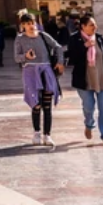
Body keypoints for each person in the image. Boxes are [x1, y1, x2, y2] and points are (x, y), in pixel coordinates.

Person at [66, 13, 103, 146]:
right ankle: (89, 124)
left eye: (95, 24)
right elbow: (72, 59)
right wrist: (85, 46)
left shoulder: (99, 38)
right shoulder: (75, 39)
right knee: (89, 107)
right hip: (84, 80)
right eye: (91, 25)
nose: (95, 27)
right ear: (83, 26)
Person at [16, 11, 63, 147]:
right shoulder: (20, 39)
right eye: (28, 24)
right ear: (23, 25)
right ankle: (36, 133)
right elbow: (16, 57)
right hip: (30, 72)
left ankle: (47, 135)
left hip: (46, 71)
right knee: (36, 104)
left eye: (33, 23)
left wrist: (59, 62)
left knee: (47, 105)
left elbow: (57, 47)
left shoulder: (43, 36)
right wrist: (26, 56)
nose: (31, 26)